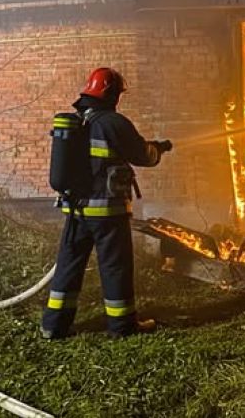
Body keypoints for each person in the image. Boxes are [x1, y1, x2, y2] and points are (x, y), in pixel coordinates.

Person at [42, 67, 172, 339]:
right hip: (107, 212)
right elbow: (142, 156)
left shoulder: (79, 121)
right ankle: (122, 326)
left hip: (76, 210)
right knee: (115, 266)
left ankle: (53, 326)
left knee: (69, 266)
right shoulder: (114, 123)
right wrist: (158, 148)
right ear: (111, 94)